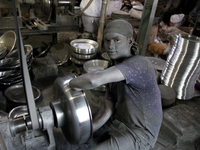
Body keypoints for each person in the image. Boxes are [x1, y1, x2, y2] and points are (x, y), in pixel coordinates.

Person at [69, 19, 163, 150]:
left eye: (116, 40)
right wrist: (86, 132)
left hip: (140, 134)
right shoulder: (113, 65)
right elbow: (108, 108)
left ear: (130, 40)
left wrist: (69, 84)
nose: (110, 45)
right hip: (119, 121)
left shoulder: (139, 63)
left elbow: (93, 80)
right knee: (80, 134)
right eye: (107, 40)